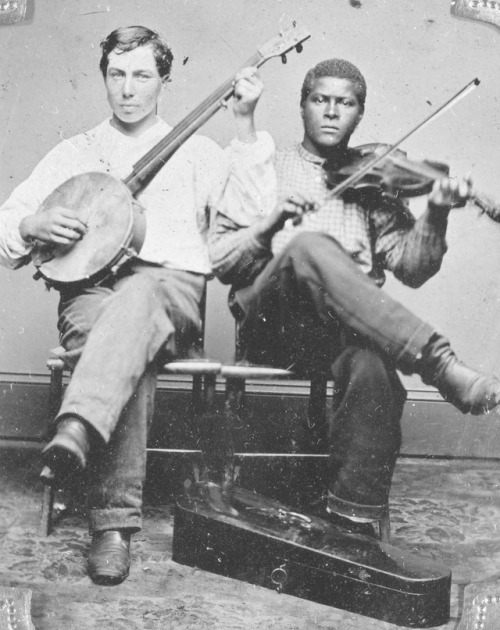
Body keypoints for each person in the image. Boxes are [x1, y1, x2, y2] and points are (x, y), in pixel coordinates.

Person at [0, 25, 269, 584]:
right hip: (91, 294)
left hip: (169, 293)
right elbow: (9, 227)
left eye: (142, 75)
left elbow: (253, 217)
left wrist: (244, 124)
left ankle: (86, 456)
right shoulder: (75, 152)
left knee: (140, 298)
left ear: (164, 80)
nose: (128, 88)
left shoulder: (197, 151)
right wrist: (32, 222)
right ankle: (113, 521)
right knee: (122, 338)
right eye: (117, 75)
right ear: (103, 78)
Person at [208, 58, 500, 538]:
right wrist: (272, 226)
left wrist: (438, 214)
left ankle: (353, 522)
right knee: (308, 246)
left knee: (372, 364)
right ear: (302, 105)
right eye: (319, 99)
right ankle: (440, 364)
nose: (330, 112)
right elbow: (227, 265)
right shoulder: (266, 163)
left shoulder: (372, 180)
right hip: (272, 320)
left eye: (344, 103)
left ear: (359, 114)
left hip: (343, 329)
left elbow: (412, 269)